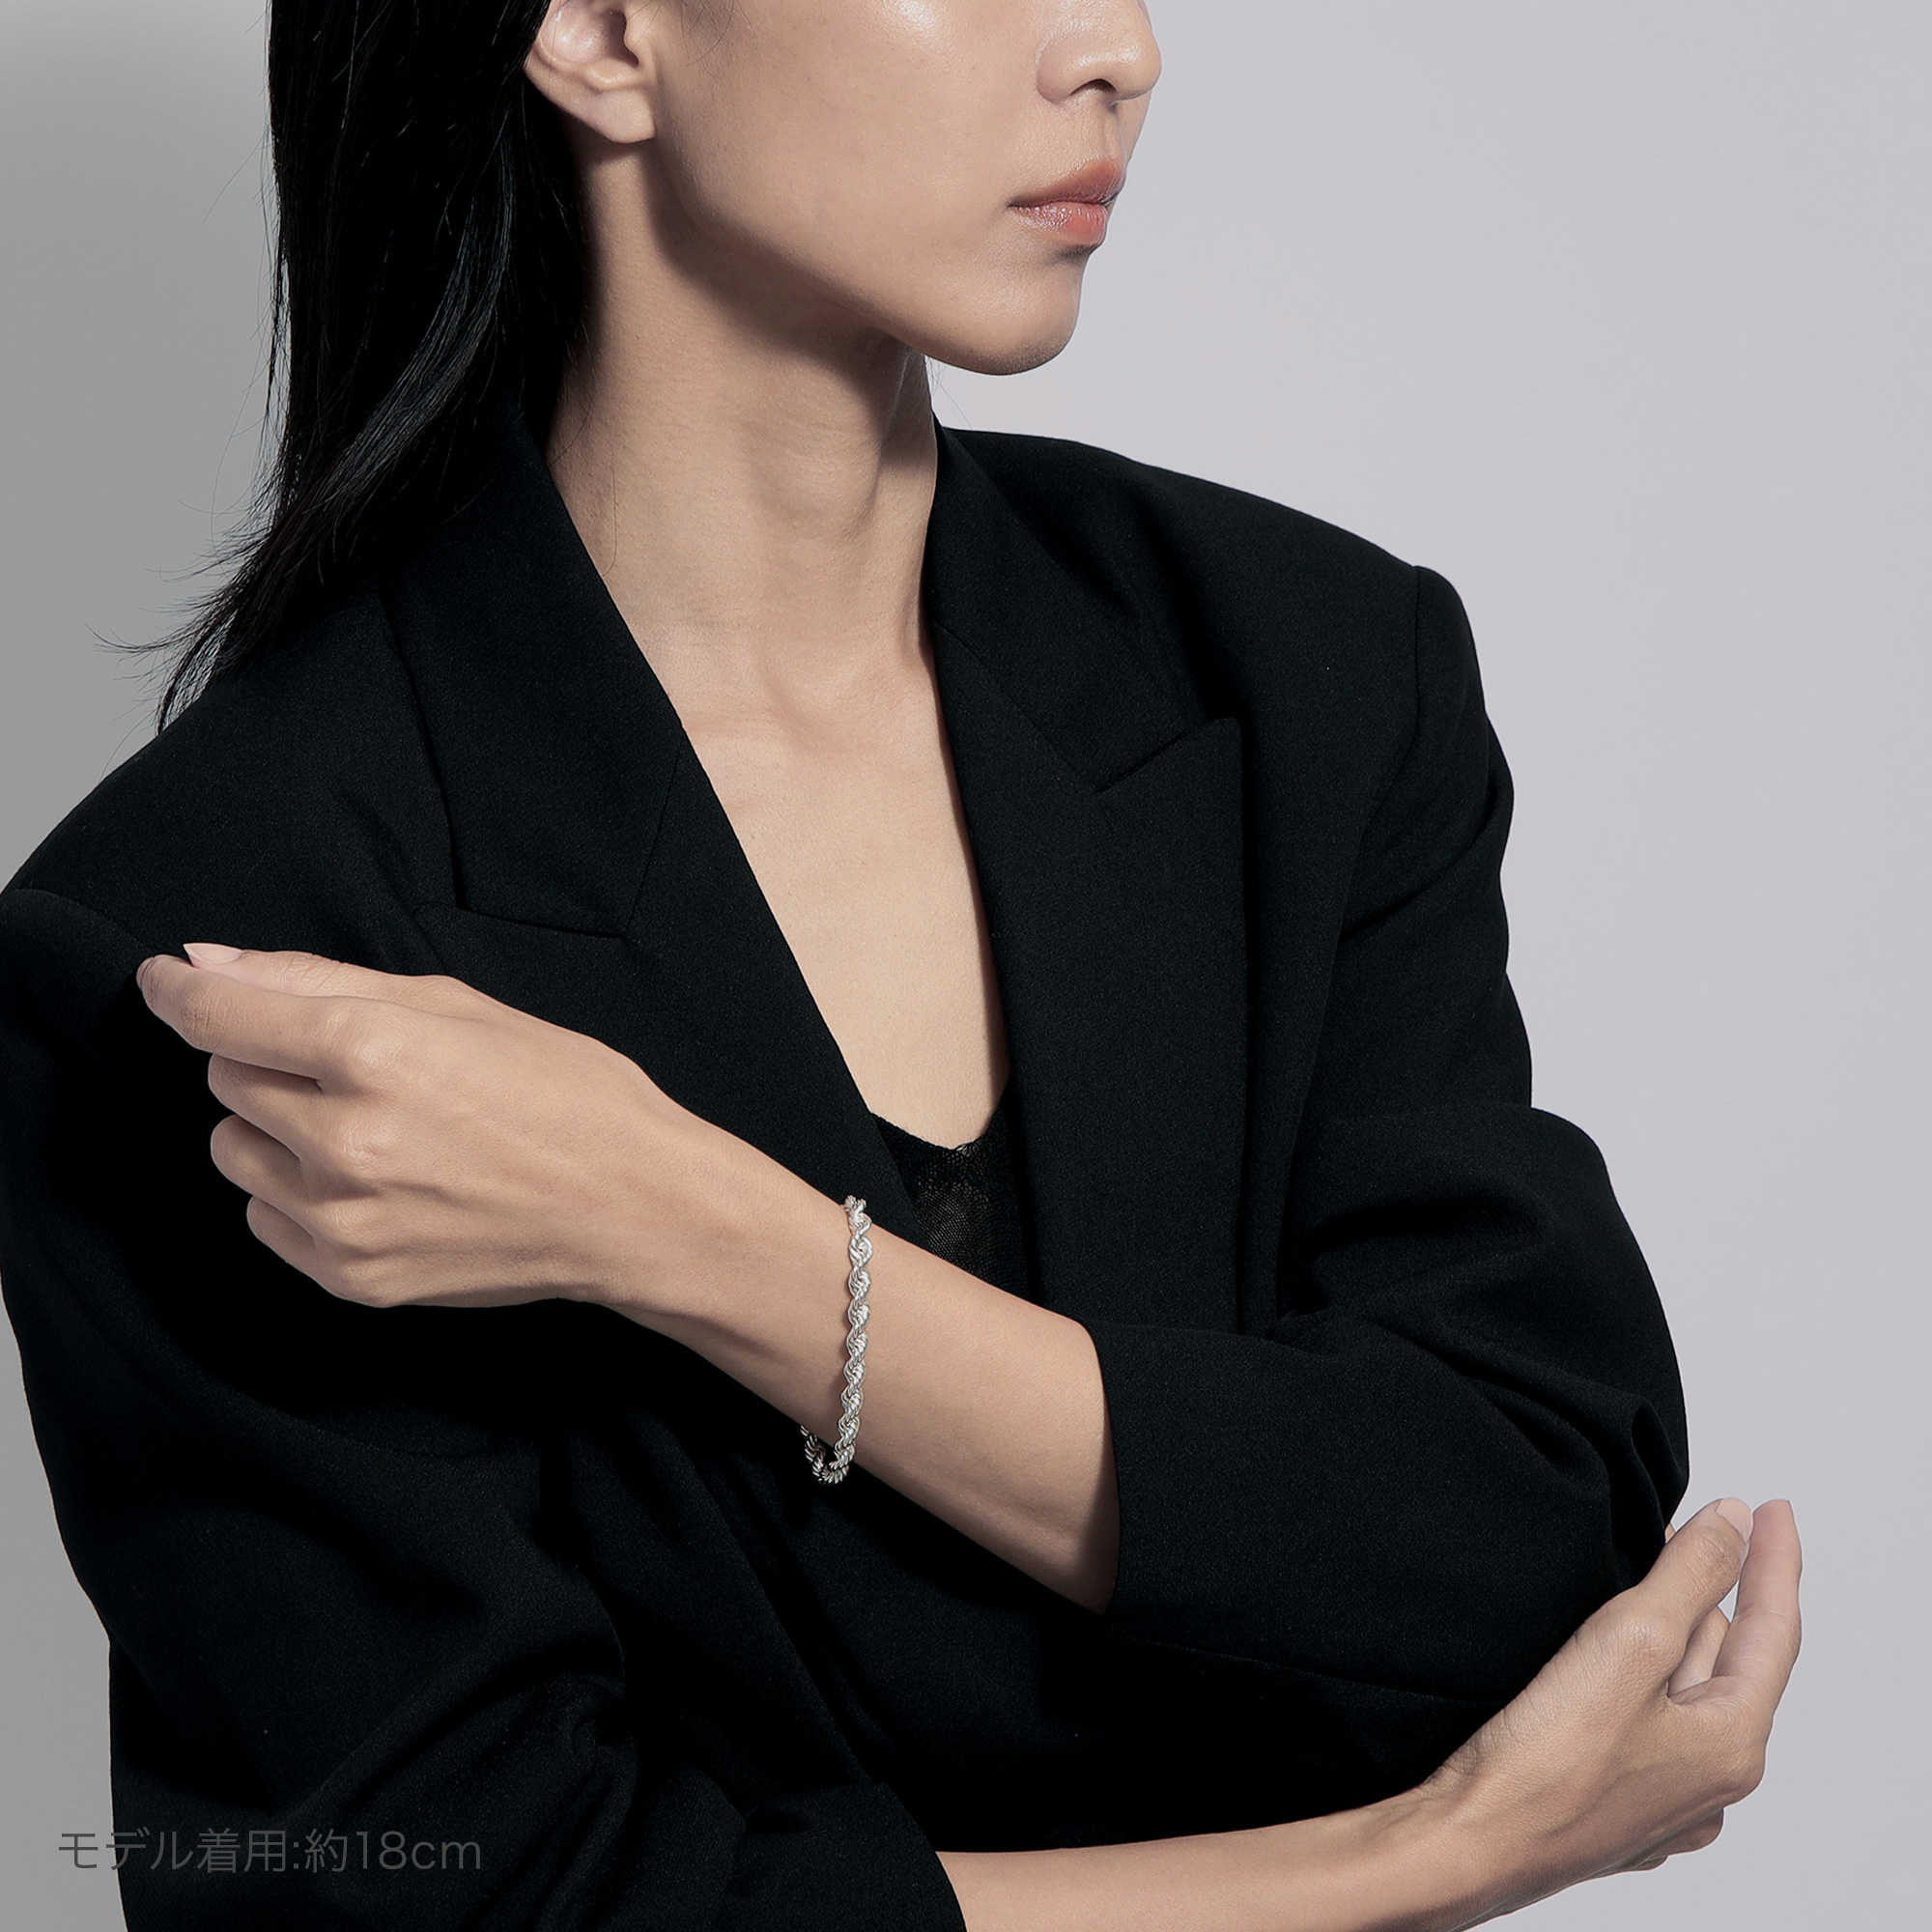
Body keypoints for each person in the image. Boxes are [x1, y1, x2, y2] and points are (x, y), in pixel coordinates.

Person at [0, 1, 1801, 1928]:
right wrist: (1415, 1855)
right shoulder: (221, 923)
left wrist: (708, 1238)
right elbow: (448, 1891)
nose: (1119, 49)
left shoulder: (1308, 671)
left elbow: (1527, 1524)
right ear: (600, 31)